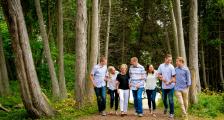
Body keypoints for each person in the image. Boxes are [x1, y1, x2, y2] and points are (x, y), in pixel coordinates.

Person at [157, 54, 176, 118]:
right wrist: (161, 78)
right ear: (165, 59)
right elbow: (158, 74)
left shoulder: (172, 67)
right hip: (164, 86)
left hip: (171, 86)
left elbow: (174, 78)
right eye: (168, 60)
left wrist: (169, 82)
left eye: (170, 60)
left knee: (170, 100)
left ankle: (171, 113)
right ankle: (166, 107)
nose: (169, 61)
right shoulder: (161, 66)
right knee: (164, 99)